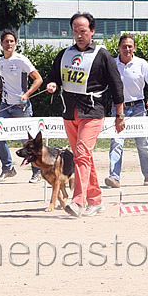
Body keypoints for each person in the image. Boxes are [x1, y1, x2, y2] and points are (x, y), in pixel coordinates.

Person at [45, 12, 125, 218]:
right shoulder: (64, 54)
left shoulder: (102, 55)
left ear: (92, 31)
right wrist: (52, 84)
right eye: (75, 31)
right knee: (84, 158)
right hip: (70, 112)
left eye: (83, 31)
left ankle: (78, 201)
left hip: (93, 111)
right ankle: (96, 201)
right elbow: (54, 76)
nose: (79, 35)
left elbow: (117, 86)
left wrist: (120, 114)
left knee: (81, 153)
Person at [105, 34, 148, 188]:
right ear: (119, 47)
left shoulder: (141, 64)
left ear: (134, 48)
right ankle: (114, 177)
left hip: (138, 108)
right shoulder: (112, 64)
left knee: (142, 143)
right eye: (124, 46)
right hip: (117, 108)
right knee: (116, 142)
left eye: (130, 46)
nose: (127, 49)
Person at [0, 29, 44, 182]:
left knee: (27, 142)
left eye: (11, 41)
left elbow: (38, 79)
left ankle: (37, 171)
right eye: (6, 41)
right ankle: (8, 169)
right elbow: (3, 77)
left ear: (15, 43)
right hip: (5, 105)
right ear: (1, 43)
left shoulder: (21, 60)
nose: (9, 44)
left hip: (22, 107)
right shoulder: (0, 61)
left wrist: (26, 94)